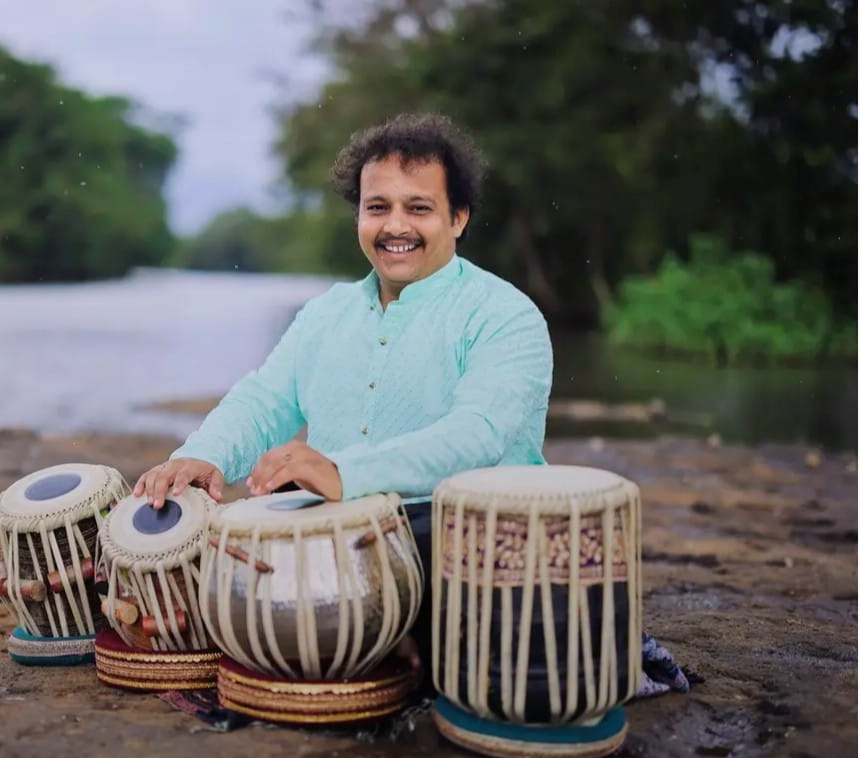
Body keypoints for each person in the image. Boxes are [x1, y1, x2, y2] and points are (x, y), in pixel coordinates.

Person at [132, 112, 691, 700]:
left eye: (418, 208)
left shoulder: (505, 316)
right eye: (378, 207)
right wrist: (202, 457)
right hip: (342, 535)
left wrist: (343, 474)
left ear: (458, 218)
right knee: (176, 529)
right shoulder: (325, 315)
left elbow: (477, 436)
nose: (395, 226)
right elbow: (265, 398)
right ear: (359, 217)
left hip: (469, 538)